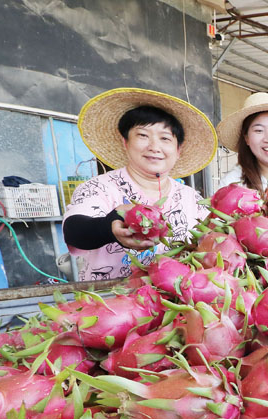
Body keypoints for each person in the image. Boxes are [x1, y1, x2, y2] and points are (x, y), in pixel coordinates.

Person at [63, 87, 217, 281]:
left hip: (178, 303)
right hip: (111, 302)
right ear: (125, 142)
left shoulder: (191, 199)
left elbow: (213, 242)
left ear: (178, 150)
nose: (154, 147)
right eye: (143, 135)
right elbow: (74, 231)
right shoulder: (100, 188)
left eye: (165, 138)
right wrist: (108, 227)